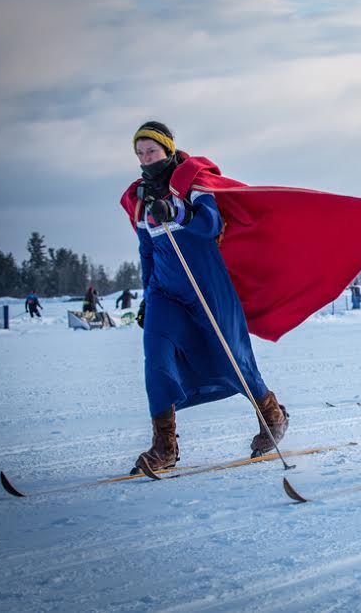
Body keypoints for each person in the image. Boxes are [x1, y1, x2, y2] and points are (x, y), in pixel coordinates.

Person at [122, 121, 287, 474]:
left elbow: (211, 224)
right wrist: (146, 296)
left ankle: (270, 412)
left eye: (151, 151)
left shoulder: (191, 183)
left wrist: (177, 211)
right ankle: (164, 446)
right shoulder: (141, 199)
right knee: (156, 358)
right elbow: (146, 251)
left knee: (233, 358)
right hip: (164, 293)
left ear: (167, 149)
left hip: (206, 288)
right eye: (139, 153)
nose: (145, 158)